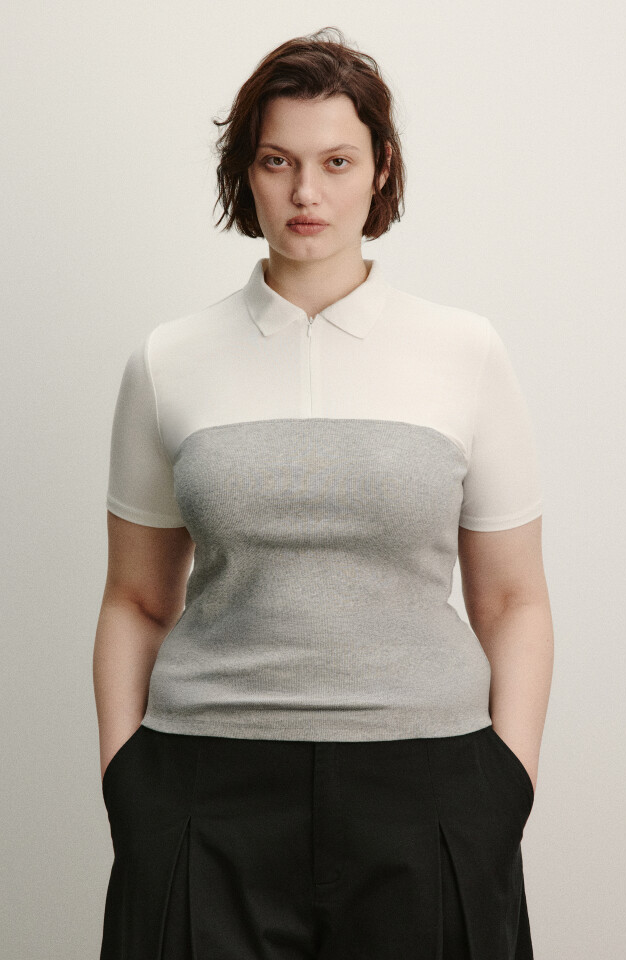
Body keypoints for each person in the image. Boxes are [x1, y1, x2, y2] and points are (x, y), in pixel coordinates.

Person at [94, 25, 554, 960]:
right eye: (279, 161)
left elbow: (513, 599)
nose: (307, 192)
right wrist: (126, 782)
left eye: (337, 161)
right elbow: (135, 599)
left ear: (380, 170)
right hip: (204, 788)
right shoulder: (169, 359)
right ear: (246, 173)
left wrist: (507, 786)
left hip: (429, 788)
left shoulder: (464, 352)